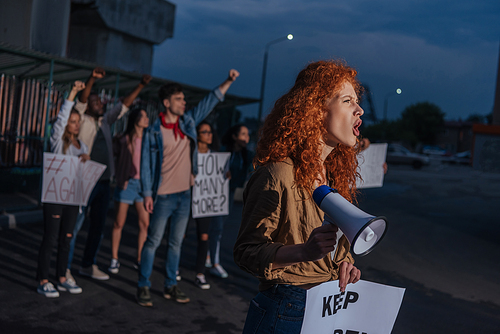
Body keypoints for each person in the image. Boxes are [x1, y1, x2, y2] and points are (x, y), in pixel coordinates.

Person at [233, 60, 362, 333]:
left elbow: (337, 248)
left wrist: (345, 263)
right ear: (316, 111)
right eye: (348, 101)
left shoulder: (335, 176)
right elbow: (246, 252)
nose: (359, 110)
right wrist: (304, 251)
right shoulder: (277, 174)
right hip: (286, 309)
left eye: (357, 102)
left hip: (326, 307)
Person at [137, 69, 239, 307]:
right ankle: (143, 285)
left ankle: (170, 285)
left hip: (185, 194)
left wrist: (229, 81)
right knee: (153, 241)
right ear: (166, 103)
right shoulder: (154, 132)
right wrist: (147, 194)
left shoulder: (188, 123)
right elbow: (145, 165)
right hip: (162, 196)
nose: (184, 103)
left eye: (184, 99)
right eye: (179, 99)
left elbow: (210, 101)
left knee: (176, 243)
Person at [67, 68, 151, 283]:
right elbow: (84, 98)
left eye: (100, 102)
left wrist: (141, 85)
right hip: (85, 181)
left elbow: (124, 106)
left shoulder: (105, 122)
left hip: (104, 182)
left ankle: (88, 264)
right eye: (96, 102)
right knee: (75, 226)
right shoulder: (83, 118)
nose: (100, 104)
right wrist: (92, 79)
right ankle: (64, 268)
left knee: (98, 226)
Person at [36, 81, 88, 297]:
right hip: (56, 196)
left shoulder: (81, 146)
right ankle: (43, 280)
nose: (75, 125)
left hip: (73, 198)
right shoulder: (59, 143)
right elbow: (59, 123)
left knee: (67, 238)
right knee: (51, 238)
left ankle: (62, 277)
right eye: (72, 121)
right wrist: (73, 93)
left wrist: (86, 160)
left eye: (78, 122)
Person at [207, 124, 254, 279]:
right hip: (217, 192)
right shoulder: (223, 151)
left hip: (230, 192)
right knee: (217, 227)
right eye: (243, 134)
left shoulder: (247, 155)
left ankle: (209, 255)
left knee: (217, 227)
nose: (246, 138)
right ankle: (214, 261)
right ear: (234, 137)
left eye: (247, 135)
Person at [109, 107, 150, 274]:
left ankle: (140, 259)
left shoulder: (149, 140)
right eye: (144, 116)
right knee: (119, 223)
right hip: (127, 184)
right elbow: (113, 158)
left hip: (143, 186)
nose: (147, 119)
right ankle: (114, 258)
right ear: (136, 119)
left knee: (144, 224)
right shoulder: (124, 139)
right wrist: (119, 178)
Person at [192, 120, 217, 289]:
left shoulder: (215, 157)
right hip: (189, 197)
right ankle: (174, 269)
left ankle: (200, 273)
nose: (209, 135)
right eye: (205, 132)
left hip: (204, 200)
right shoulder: (190, 155)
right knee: (180, 236)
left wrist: (225, 175)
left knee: (204, 236)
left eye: (210, 132)